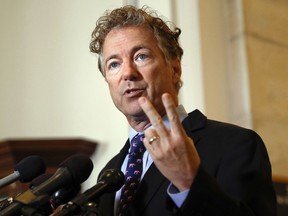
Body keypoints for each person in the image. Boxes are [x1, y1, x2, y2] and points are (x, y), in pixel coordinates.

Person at [89, 5, 276, 216]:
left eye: (141, 56)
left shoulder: (236, 145)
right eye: (114, 64)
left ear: (175, 70)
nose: (128, 73)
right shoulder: (109, 172)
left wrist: (189, 181)